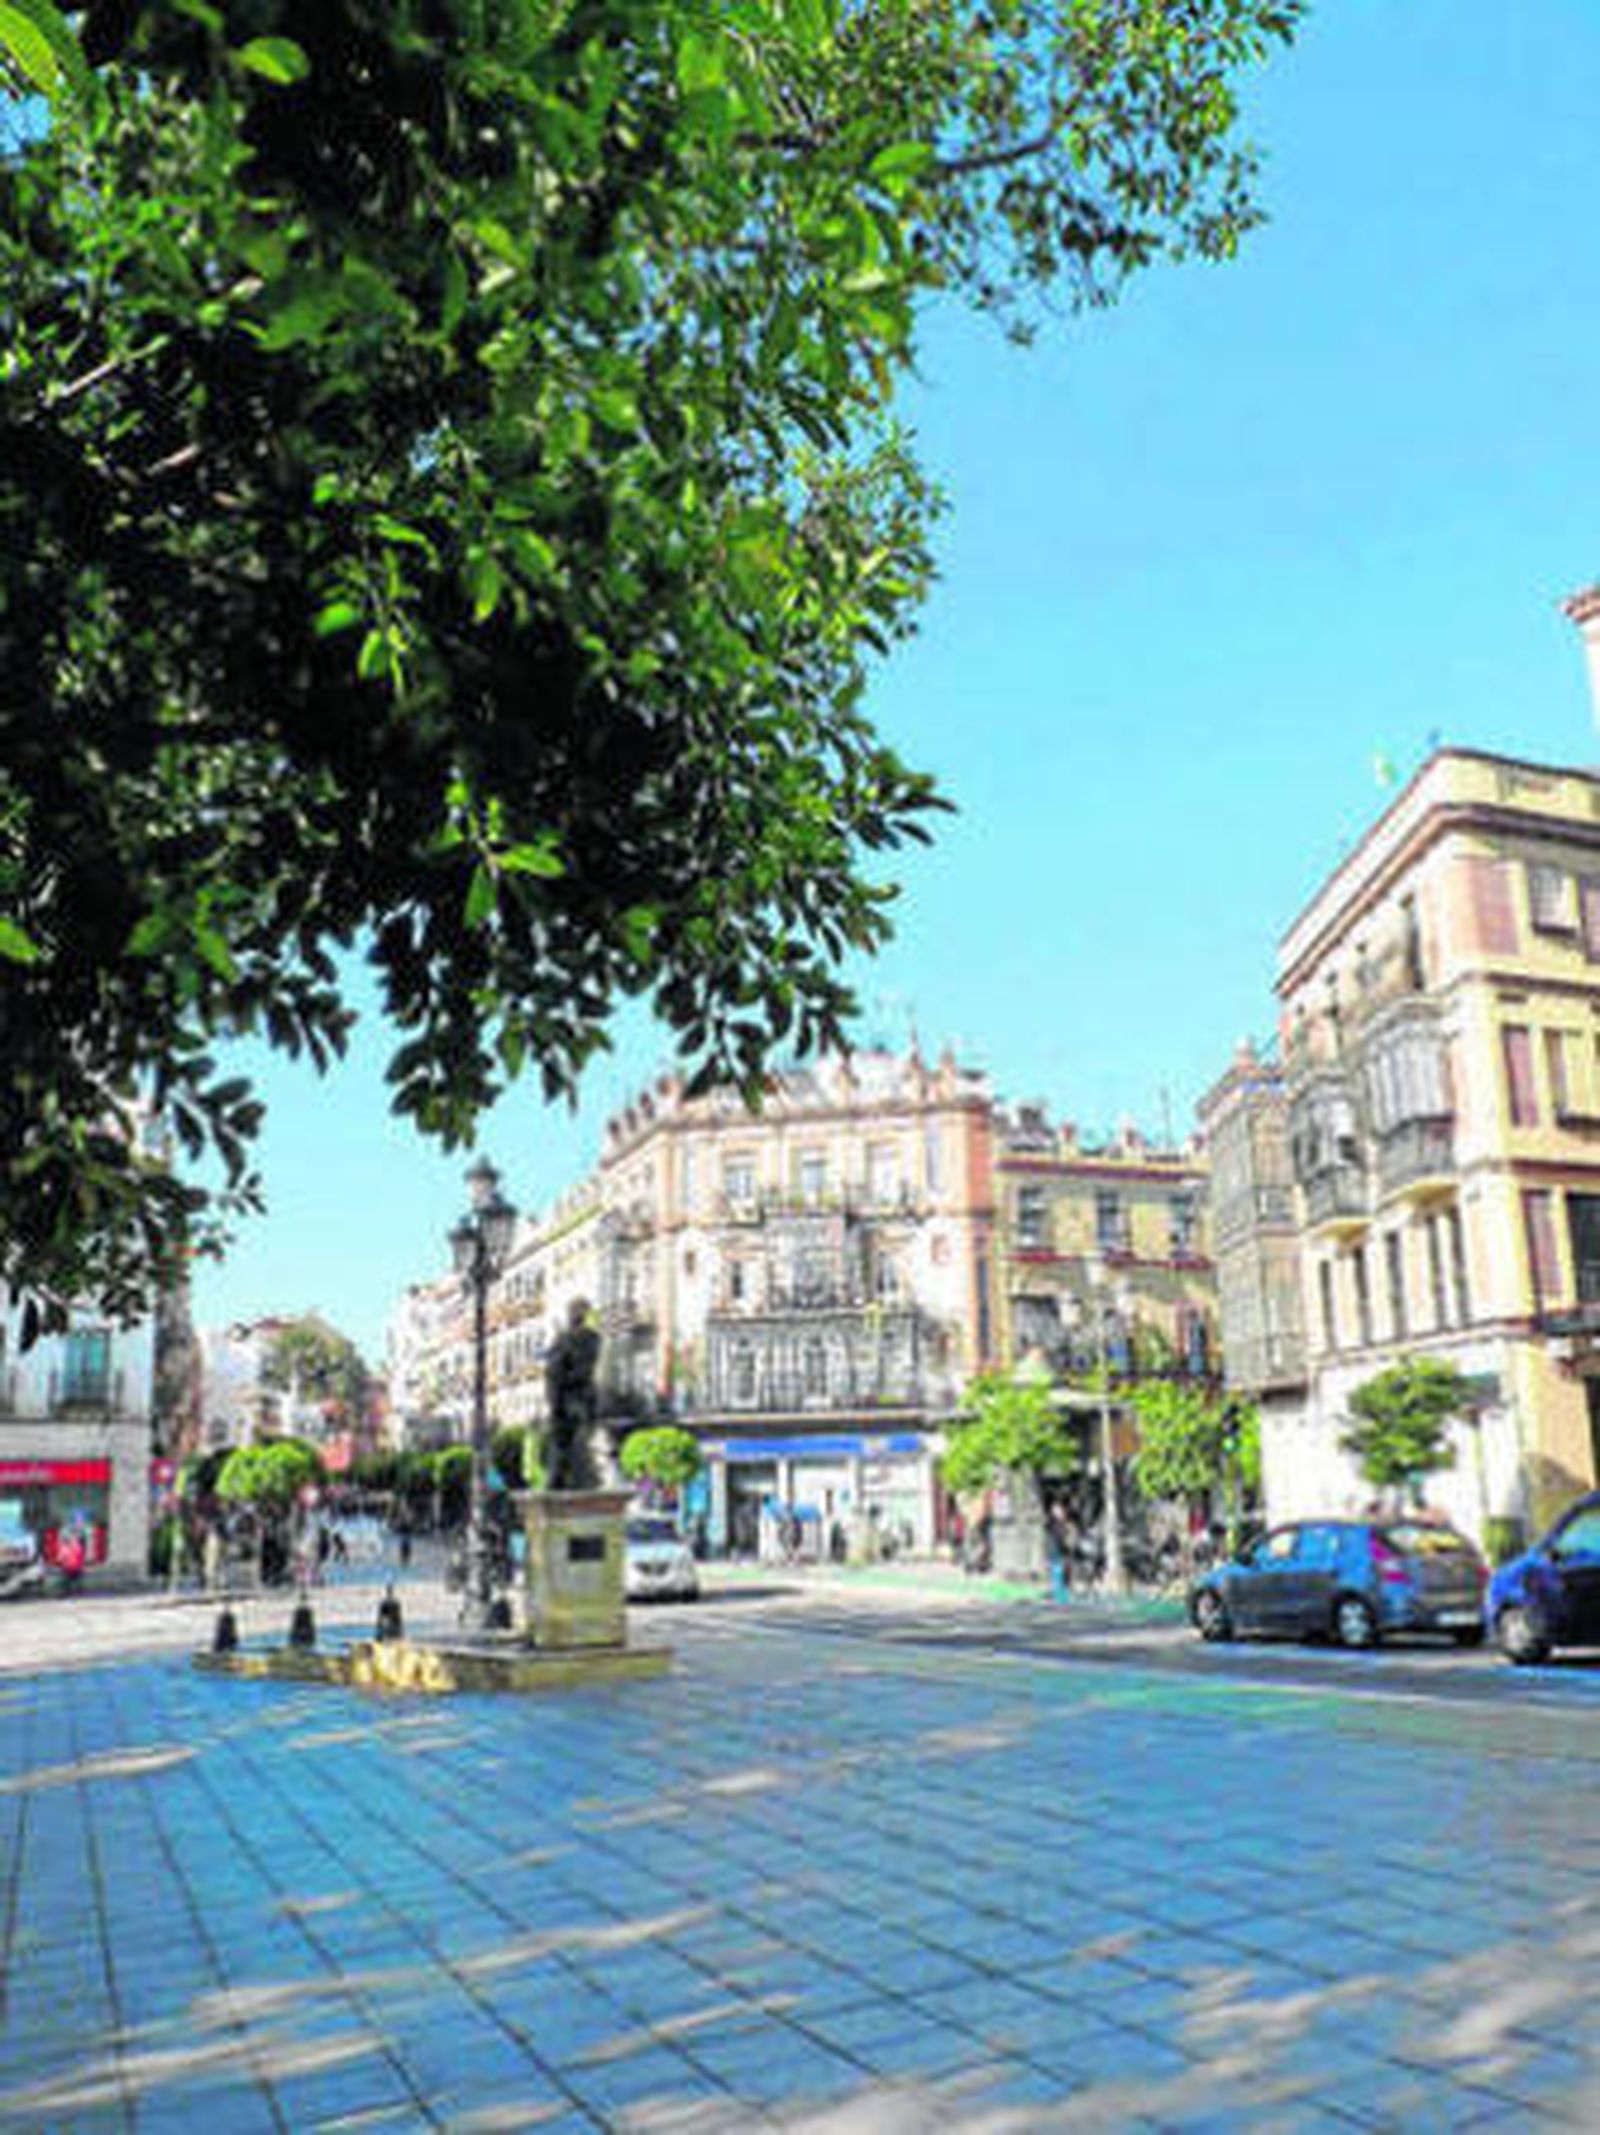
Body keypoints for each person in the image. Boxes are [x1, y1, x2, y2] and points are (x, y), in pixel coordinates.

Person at [543, 1299, 601, 1490]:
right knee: (582, 1447)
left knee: (562, 1448)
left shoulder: (563, 1340)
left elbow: (554, 1374)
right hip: (587, 1400)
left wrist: (553, 1403)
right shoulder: (595, 1340)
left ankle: (558, 1484)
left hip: (568, 1401)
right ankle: (584, 1481)